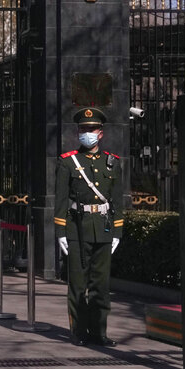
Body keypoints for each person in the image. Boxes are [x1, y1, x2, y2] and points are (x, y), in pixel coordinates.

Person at [54, 106, 124, 347]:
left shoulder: (112, 163)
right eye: (84, 129)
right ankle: (79, 331)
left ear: (101, 133)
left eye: (92, 129)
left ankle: (99, 332)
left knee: (101, 286)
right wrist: (61, 232)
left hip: (103, 230)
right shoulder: (68, 162)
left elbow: (117, 200)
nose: (88, 133)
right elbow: (61, 200)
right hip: (76, 230)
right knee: (78, 283)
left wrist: (117, 232)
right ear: (78, 133)